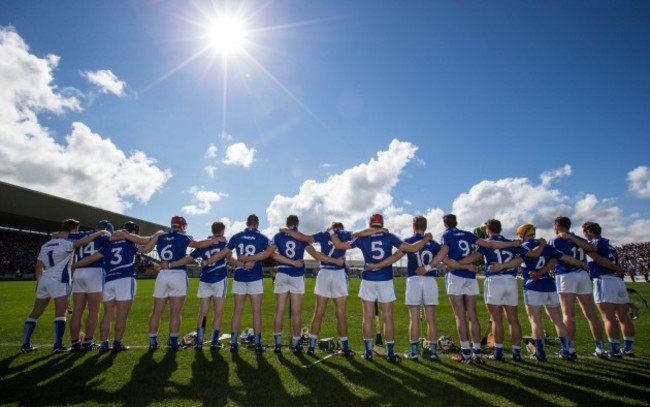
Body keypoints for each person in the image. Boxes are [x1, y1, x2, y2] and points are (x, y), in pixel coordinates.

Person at [330, 213, 433, 363]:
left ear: (370, 224)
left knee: (367, 318)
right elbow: (413, 248)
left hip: (368, 279)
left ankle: (368, 352)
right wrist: (427, 238)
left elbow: (339, 245)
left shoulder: (363, 238)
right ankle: (390, 353)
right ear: (382, 223)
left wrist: (331, 231)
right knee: (388, 318)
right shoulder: (389, 236)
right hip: (385, 279)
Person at [439, 214, 520, 364]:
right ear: (456, 222)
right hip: (471, 277)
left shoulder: (446, 234)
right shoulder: (468, 234)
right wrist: (512, 244)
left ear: (445, 223)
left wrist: (456, 265)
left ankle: (466, 354)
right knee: (473, 315)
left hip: (456, 276)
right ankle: (477, 352)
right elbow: (490, 245)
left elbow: (446, 253)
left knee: (460, 316)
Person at [366, 216, 449, 361]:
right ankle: (434, 352)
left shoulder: (409, 241)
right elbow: (444, 254)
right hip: (430, 280)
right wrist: (429, 267)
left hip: (413, 280)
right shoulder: (433, 243)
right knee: (431, 319)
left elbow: (396, 257)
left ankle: (414, 352)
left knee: (414, 319)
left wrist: (377, 265)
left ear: (413, 226)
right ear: (425, 226)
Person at [70, 222, 161, 352]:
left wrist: (74, 265)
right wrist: (158, 234)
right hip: (125, 279)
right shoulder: (130, 241)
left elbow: (91, 258)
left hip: (109, 281)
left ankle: (104, 344)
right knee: (121, 316)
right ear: (133, 232)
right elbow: (146, 247)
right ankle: (117, 344)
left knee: (107, 314)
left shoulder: (107, 243)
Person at [21, 219, 106, 353]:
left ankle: (25, 344)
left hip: (44, 280)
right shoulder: (67, 242)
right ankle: (58, 345)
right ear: (73, 230)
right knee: (61, 314)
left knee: (35, 313)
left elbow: (39, 266)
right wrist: (98, 233)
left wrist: (38, 282)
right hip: (60, 280)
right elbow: (83, 242)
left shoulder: (46, 245)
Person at [507, 223, 588, 361]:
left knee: (535, 321)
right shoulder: (549, 247)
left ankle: (540, 352)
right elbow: (565, 258)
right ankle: (566, 349)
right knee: (557, 320)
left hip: (533, 286)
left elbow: (524, 258)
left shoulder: (524, 247)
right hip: (549, 285)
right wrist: (581, 264)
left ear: (521, 234)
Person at [270, 215, 345, 354]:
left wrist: (288, 262)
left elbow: (273, 255)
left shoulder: (278, 235)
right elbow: (316, 255)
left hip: (281, 273)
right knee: (297, 312)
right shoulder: (299, 236)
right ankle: (298, 344)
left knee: (279, 311)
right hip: (297, 275)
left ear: (287, 223)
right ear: (297, 223)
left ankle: (278, 345)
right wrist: (334, 261)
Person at [560, 222, 635, 358]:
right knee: (623, 317)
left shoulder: (595, 243)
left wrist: (572, 238)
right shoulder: (609, 244)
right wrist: (617, 269)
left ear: (589, 231)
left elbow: (598, 259)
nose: (584, 235)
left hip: (604, 280)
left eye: (585, 232)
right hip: (617, 281)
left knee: (609, 318)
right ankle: (628, 348)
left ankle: (614, 349)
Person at [149, 216, 221, 351]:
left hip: (162, 274)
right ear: (182, 226)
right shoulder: (183, 236)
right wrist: (214, 240)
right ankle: (174, 342)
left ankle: (152, 341)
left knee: (156, 311)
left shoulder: (160, 236)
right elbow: (198, 244)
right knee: (175, 312)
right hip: (177, 273)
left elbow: (145, 247)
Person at [166, 221, 234, 350]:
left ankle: (200, 341)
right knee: (218, 312)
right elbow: (229, 258)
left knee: (203, 312)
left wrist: (170, 265)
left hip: (205, 280)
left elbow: (188, 259)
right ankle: (214, 341)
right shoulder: (224, 243)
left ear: (212, 230)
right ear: (222, 231)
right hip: (219, 279)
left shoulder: (203, 244)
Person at [548, 216, 605, 359]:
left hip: (567, 276)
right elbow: (593, 248)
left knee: (568, 315)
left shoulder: (555, 240)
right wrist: (573, 238)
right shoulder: (579, 240)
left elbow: (552, 258)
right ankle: (600, 348)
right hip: (583, 276)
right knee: (591, 314)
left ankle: (570, 348)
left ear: (557, 226)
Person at [226, 214, 276, 352]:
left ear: (247, 223)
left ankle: (234, 342)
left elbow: (227, 257)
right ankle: (258, 344)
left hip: (239, 276)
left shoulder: (236, 236)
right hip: (255, 278)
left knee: (237, 311)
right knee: (256, 312)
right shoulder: (263, 238)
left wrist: (241, 264)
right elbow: (272, 251)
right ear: (257, 224)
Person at [66, 220, 113, 351]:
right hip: (95, 272)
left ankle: (75, 342)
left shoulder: (83, 234)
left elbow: (64, 235)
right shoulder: (105, 235)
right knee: (94, 310)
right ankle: (88, 341)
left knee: (77, 310)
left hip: (79, 273)